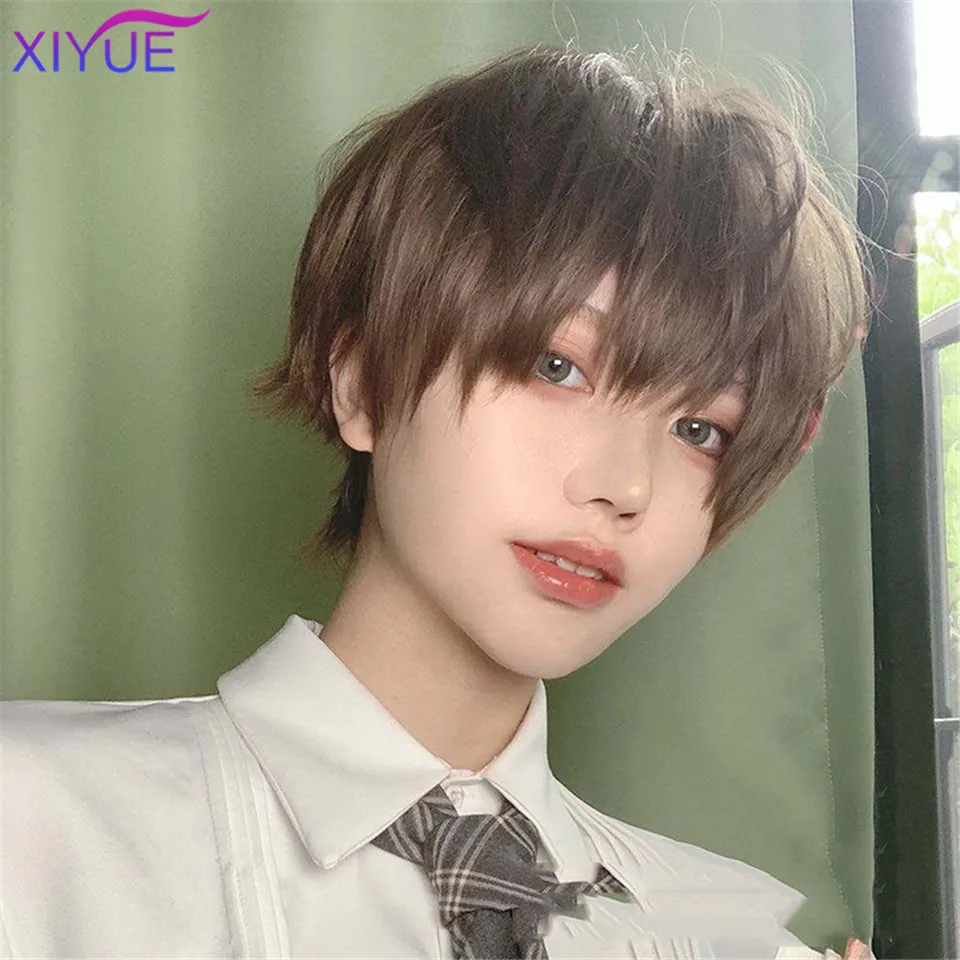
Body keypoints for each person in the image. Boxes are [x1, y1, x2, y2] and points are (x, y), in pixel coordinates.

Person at [1, 46, 872, 959]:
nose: (626, 488)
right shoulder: (36, 828)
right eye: (558, 366)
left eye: (702, 429)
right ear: (361, 383)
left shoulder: (728, 935)